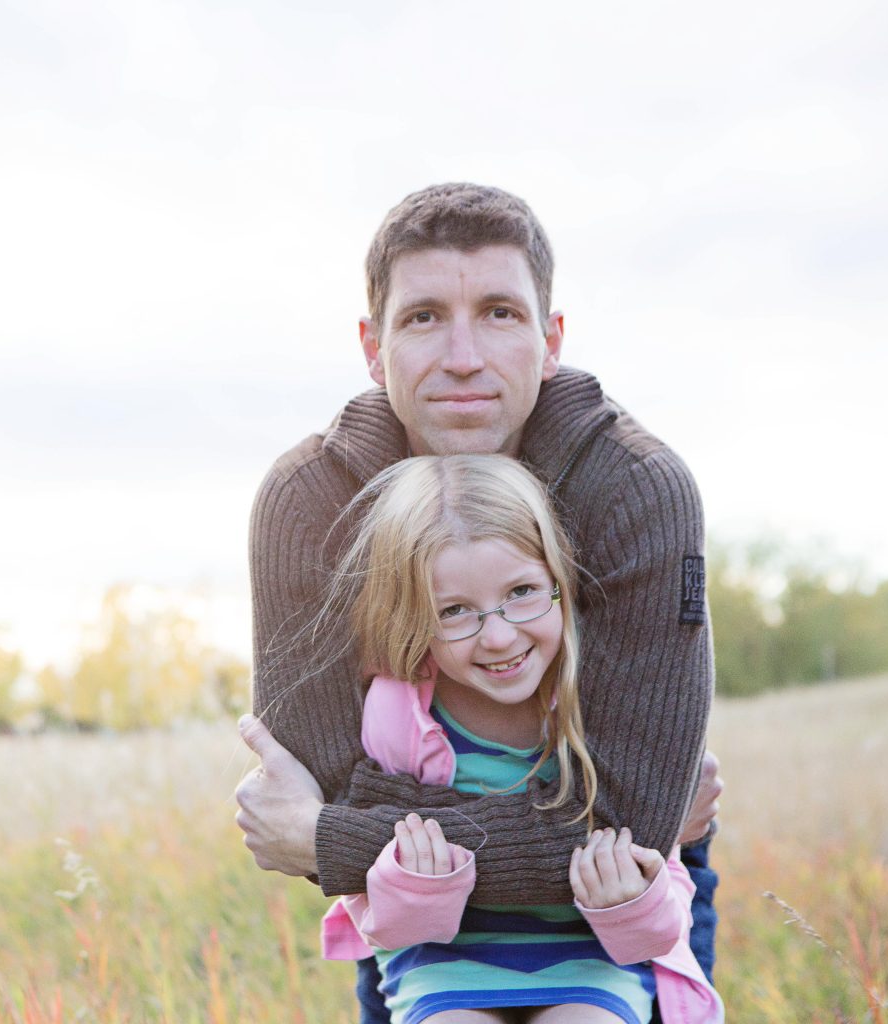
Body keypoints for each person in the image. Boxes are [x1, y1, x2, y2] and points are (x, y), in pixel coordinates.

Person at [236, 183, 722, 1022]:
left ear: (550, 339)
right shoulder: (309, 501)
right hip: (419, 931)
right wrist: (338, 836)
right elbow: (317, 783)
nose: (463, 356)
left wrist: (337, 837)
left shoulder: (638, 487)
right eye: (424, 317)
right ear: (373, 347)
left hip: (617, 917)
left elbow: (631, 830)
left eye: (500, 313)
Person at [316, 454, 723, 1024]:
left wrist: (627, 902)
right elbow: (374, 909)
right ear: (413, 619)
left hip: (595, 955)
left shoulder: (600, 700)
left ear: (559, 580)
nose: (499, 636)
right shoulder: (399, 713)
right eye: (454, 611)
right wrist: (415, 884)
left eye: (523, 591)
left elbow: (661, 910)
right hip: (443, 961)